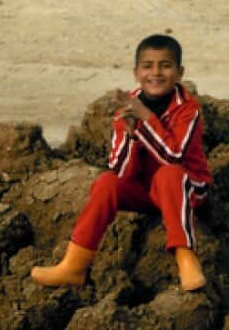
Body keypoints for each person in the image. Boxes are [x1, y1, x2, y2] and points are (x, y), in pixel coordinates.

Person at [31, 35, 212, 292]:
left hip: (186, 187)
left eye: (165, 65)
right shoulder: (127, 109)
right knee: (106, 182)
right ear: (136, 72)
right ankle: (74, 265)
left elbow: (174, 156)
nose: (156, 73)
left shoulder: (188, 110)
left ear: (180, 72)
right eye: (148, 66)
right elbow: (121, 172)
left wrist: (146, 120)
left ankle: (186, 259)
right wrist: (129, 134)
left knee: (168, 174)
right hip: (146, 191)